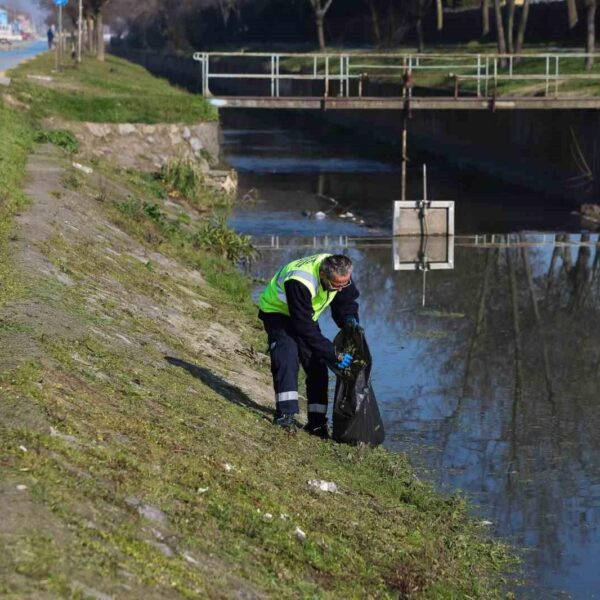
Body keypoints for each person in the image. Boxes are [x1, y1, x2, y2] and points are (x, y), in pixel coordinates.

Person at [258, 253, 361, 438]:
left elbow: (345, 302)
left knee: (317, 364)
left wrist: (349, 319)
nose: (340, 289)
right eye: (335, 285)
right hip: (278, 312)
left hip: (305, 315)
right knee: (287, 357)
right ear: (323, 275)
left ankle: (317, 424)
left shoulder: (341, 272)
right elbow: (302, 326)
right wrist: (333, 353)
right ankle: (285, 415)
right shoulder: (299, 281)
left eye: (344, 284)